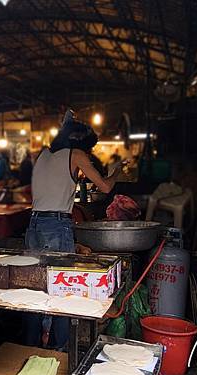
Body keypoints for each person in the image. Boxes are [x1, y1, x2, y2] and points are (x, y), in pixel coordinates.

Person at [25, 111, 121, 348]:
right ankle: (59, 350)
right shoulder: (76, 155)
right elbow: (105, 186)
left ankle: (29, 346)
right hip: (56, 226)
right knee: (60, 289)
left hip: (34, 225)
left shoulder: (42, 155)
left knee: (35, 288)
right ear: (80, 143)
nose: (88, 153)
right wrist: (118, 170)